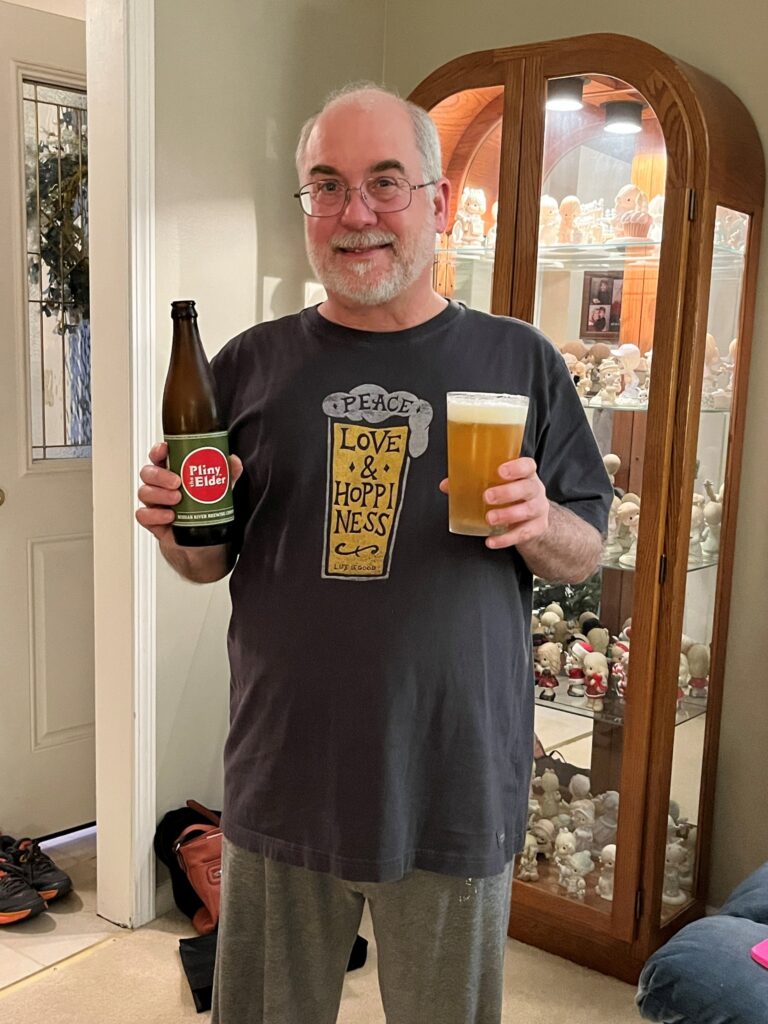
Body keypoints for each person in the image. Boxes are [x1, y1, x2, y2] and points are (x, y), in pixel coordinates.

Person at [137, 83, 612, 1024]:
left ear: (438, 203)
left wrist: (539, 522)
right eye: (328, 186)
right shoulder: (246, 365)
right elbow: (208, 562)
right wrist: (170, 532)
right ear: (307, 207)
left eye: (385, 183)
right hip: (284, 778)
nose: (356, 214)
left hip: (452, 782)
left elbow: (585, 550)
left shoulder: (520, 361)